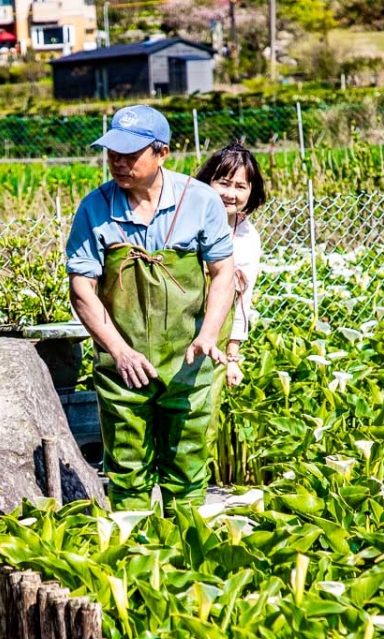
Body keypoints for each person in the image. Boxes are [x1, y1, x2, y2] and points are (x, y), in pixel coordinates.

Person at [66, 105, 235, 512]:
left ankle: (186, 556)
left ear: (162, 153)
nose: (118, 163)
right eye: (112, 153)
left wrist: (209, 334)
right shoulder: (95, 208)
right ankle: (134, 558)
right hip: (124, 362)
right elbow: (81, 289)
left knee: (187, 464)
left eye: (130, 154)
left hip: (189, 358)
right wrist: (120, 351)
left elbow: (223, 272)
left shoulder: (200, 200)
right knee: (126, 468)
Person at [195, 143, 268, 388]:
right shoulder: (186, 221)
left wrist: (232, 357)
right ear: (207, 183)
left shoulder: (247, 238)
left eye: (240, 187)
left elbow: (242, 300)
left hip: (216, 335)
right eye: (223, 183)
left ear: (251, 192)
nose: (231, 194)